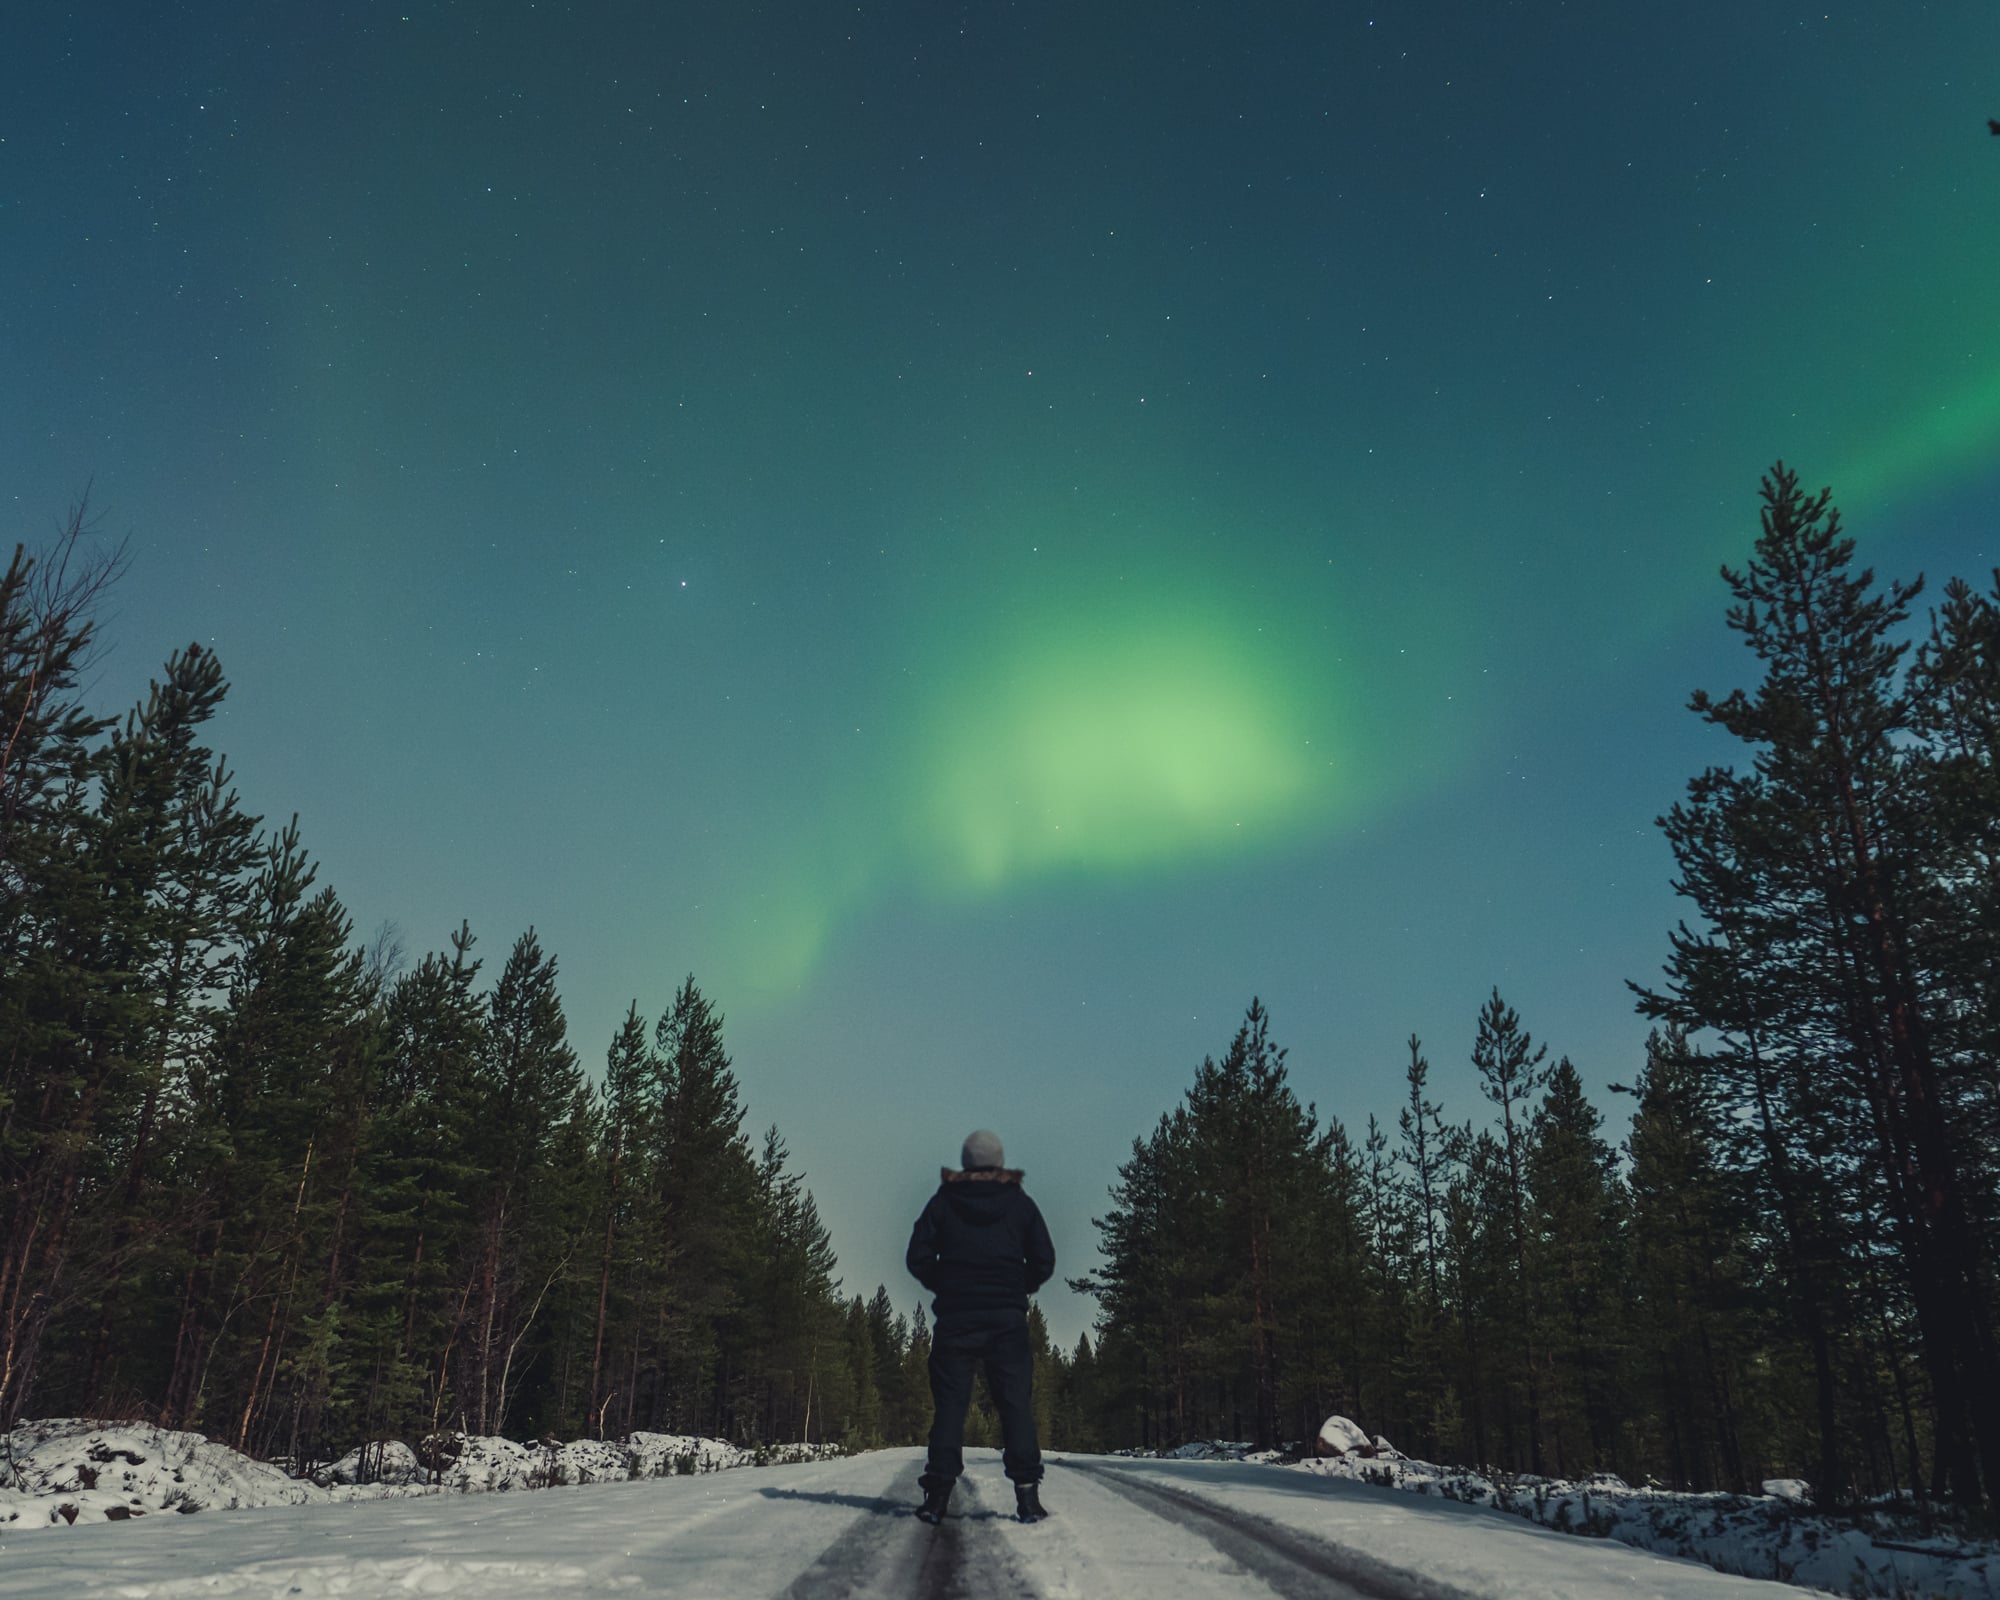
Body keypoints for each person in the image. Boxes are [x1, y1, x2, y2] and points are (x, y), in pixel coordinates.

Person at [905, 1128, 1056, 1524]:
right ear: (1000, 1162)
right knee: (1015, 1406)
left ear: (966, 1162)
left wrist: (945, 1284)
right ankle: (1027, 1499)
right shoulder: (1019, 1204)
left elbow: (917, 1256)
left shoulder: (944, 1202)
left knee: (950, 1408)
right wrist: (1017, 1288)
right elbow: (1044, 1259)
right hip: (1006, 1322)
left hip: (956, 1319)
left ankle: (936, 1499)